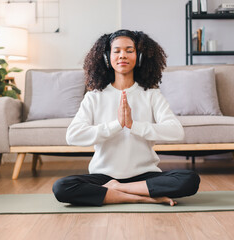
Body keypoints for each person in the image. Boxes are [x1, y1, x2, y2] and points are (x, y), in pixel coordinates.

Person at [52, 29, 200, 206]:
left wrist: (133, 125)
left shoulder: (151, 95)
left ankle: (117, 191)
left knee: (189, 179)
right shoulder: (95, 96)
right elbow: (73, 136)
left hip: (144, 175)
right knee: (62, 187)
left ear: (140, 57)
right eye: (117, 51)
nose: (123, 55)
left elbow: (176, 132)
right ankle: (140, 197)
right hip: (104, 177)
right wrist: (117, 125)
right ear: (107, 57)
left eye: (129, 51)